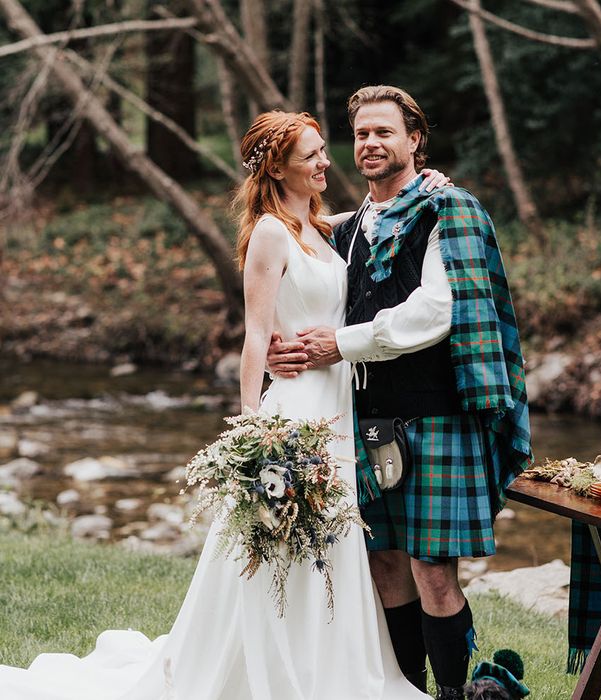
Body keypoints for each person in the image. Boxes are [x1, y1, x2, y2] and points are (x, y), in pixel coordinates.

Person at [0, 111, 449, 700]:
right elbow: (255, 336)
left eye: (321, 151)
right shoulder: (268, 232)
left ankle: (327, 668)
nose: (325, 162)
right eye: (312, 155)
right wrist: (254, 432)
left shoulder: (316, 226)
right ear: (278, 168)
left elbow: (372, 216)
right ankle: (269, 675)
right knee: (281, 546)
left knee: (332, 545)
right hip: (296, 413)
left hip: (337, 405)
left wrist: (423, 185)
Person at [267, 86, 532, 700]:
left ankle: (452, 694)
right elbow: (286, 262)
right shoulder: (348, 227)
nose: (370, 144)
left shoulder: (449, 209)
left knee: (433, 571)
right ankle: (407, 691)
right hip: (364, 419)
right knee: (384, 567)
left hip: (438, 415)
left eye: (384, 132)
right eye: (360, 134)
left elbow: (437, 310)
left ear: (415, 140)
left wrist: (342, 343)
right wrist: (279, 348)